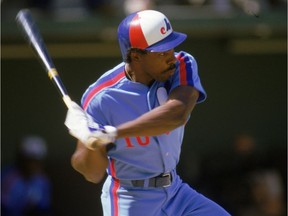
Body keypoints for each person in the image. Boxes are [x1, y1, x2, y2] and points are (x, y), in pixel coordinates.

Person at [65, 10, 230, 216]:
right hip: (131, 199)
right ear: (136, 56)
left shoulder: (182, 64)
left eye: (171, 47)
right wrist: (90, 140)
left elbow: (176, 113)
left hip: (176, 192)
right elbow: (92, 173)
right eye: (161, 52)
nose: (171, 57)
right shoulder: (100, 98)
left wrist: (114, 133)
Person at [1, 135, 52, 216]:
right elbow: (5, 208)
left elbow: (44, 208)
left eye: (38, 161)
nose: (34, 165)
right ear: (21, 159)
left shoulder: (42, 180)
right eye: (30, 160)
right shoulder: (8, 178)